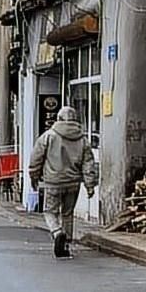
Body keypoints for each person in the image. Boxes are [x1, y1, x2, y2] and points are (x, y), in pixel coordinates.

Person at [28, 105, 98, 258]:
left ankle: (57, 232)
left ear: (59, 119)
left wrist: (34, 176)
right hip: (73, 183)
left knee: (49, 212)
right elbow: (88, 164)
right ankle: (65, 244)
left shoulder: (49, 136)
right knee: (68, 213)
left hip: (53, 182)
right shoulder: (82, 139)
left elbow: (36, 158)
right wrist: (90, 185)